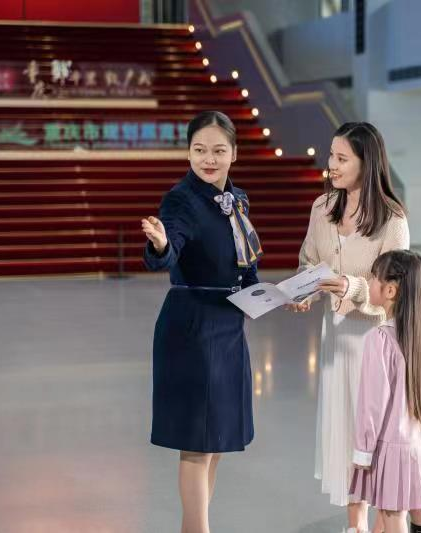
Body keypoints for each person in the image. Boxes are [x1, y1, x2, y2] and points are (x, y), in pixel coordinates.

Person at [141, 110, 262, 533]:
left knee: (216, 441)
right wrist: (160, 245)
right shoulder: (180, 199)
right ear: (188, 152)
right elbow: (168, 250)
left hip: (229, 325)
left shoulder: (238, 198)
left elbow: (245, 264)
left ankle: (194, 527)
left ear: (234, 153)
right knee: (196, 443)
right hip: (193, 327)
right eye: (199, 150)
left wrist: (274, 297)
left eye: (218, 150)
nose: (209, 159)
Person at [290, 122, 410, 532]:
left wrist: (349, 287)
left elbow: (394, 292)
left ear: (366, 163)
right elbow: (309, 261)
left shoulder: (392, 220)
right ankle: (355, 526)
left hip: (376, 344)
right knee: (345, 437)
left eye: (342, 158)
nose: (332, 165)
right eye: (331, 155)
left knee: (377, 439)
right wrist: (304, 292)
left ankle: (388, 522)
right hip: (337, 340)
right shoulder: (322, 208)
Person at [350, 250, 421, 533]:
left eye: (374, 278)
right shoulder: (418, 337)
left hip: (392, 445)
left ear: (390, 290)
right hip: (420, 439)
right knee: (420, 506)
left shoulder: (379, 339)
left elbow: (372, 404)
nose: (369, 282)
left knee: (393, 513)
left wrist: (363, 451)